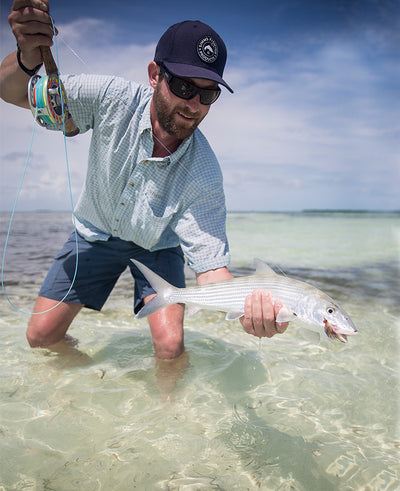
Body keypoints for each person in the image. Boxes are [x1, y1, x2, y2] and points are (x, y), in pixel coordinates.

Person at [0, 0, 289, 360]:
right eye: (184, 87)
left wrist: (250, 311)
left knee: (170, 349)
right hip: (94, 233)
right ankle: (80, 385)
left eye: (208, 94)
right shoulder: (110, 98)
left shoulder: (205, 172)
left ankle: (169, 413)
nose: (194, 105)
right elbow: (12, 91)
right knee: (39, 337)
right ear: (155, 74)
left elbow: (212, 272)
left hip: (158, 246)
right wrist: (28, 56)